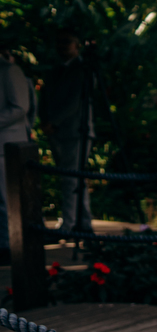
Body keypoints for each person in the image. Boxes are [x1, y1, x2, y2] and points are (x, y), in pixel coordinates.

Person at [39, 28, 94, 233]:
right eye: (59, 42)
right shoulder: (54, 70)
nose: (62, 46)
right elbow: (45, 97)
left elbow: (75, 103)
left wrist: (54, 121)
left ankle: (71, 223)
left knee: (72, 178)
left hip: (75, 131)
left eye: (67, 42)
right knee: (72, 178)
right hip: (57, 132)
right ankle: (83, 222)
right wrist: (45, 121)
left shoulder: (83, 69)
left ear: (77, 45)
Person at [0, 48, 35, 265]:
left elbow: (21, 107)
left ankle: (9, 246)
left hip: (7, 144)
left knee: (6, 198)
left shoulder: (10, 71)